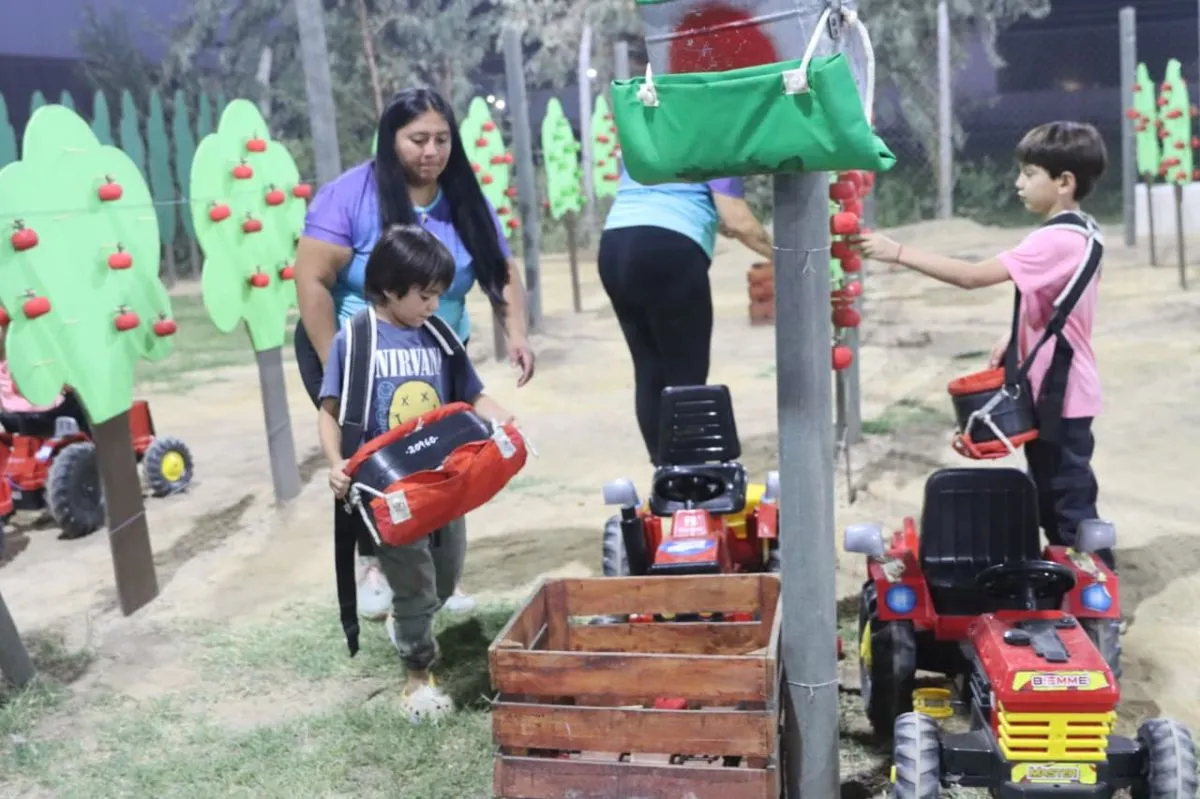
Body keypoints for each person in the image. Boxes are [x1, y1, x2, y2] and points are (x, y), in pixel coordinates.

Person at [294, 87, 535, 621]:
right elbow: (311, 278)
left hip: (437, 347)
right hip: (359, 349)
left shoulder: (463, 196)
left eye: (442, 139)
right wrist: (342, 359)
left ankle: (438, 569)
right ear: (391, 139)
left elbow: (500, 270)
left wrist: (515, 332)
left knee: (440, 452)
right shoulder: (350, 194)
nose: (432, 152)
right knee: (377, 457)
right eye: (418, 139)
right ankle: (380, 563)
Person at [854, 120, 1114, 570]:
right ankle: (1067, 576)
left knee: (1067, 499)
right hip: (1062, 388)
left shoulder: (1054, 239)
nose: (1019, 183)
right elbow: (1064, 305)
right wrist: (1017, 336)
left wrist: (897, 252)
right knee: (1052, 491)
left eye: (1030, 174)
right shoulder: (1084, 231)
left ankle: (1096, 591)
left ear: (1064, 182)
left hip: (1060, 394)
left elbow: (971, 277)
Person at [318, 224, 514, 720]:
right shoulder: (356, 339)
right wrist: (334, 463)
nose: (433, 304)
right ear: (388, 288)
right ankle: (417, 677)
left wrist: (503, 420)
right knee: (417, 587)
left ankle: (406, 621)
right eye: (425, 295)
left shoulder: (441, 336)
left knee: (446, 581)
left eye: (438, 295)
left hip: (445, 484)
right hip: (390, 493)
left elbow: (472, 395)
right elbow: (329, 409)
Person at [597, 169, 774, 464]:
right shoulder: (712, 134)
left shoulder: (650, 123)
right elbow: (738, 220)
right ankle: (690, 478)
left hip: (616, 244)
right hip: (668, 248)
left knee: (649, 368)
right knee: (687, 375)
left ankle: (665, 473)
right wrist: (788, 256)